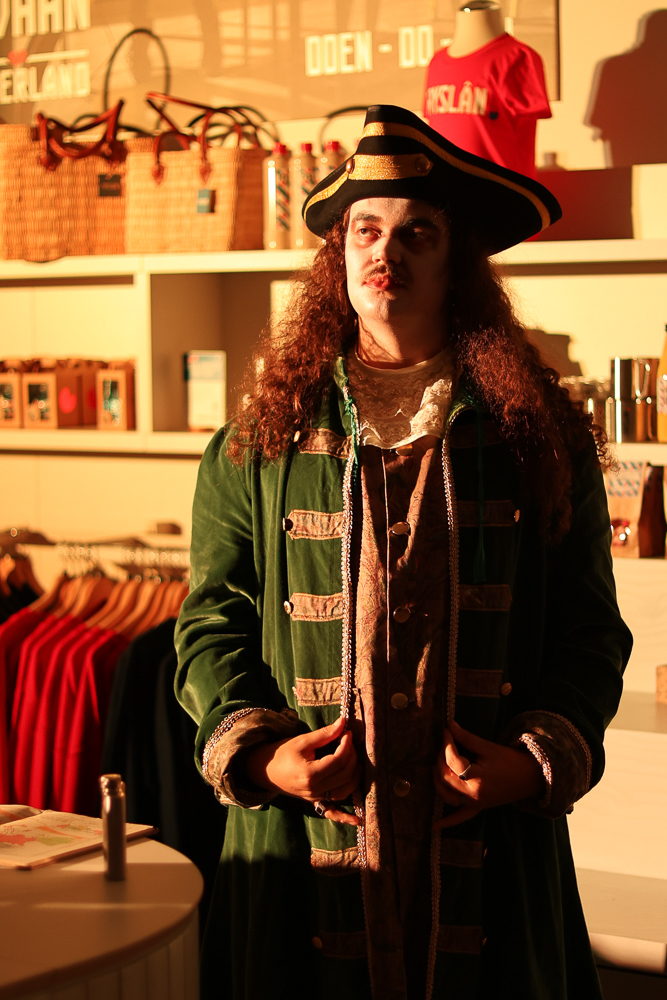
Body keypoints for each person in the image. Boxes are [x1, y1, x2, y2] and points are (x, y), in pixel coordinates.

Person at [175, 104, 632, 1000]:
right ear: (338, 257)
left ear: (455, 261)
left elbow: (589, 633)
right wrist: (263, 755)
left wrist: (531, 760)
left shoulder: (538, 439)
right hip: (305, 845)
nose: (386, 250)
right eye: (365, 230)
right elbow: (210, 624)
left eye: (417, 232)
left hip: (490, 848)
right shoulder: (258, 442)